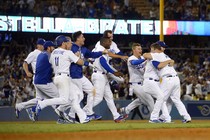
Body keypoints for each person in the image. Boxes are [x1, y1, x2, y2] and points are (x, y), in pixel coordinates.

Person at [36, 35, 90, 124]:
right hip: (64, 77)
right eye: (68, 43)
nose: (70, 45)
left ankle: (82, 118)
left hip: (58, 77)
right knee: (65, 99)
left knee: (78, 95)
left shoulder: (53, 52)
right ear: (63, 43)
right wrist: (85, 61)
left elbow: (52, 62)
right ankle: (42, 104)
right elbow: (80, 62)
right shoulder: (68, 52)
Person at [148, 41, 191, 123]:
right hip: (175, 79)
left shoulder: (157, 55)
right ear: (159, 47)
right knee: (175, 100)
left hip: (167, 79)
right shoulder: (165, 56)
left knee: (161, 99)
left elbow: (158, 65)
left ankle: (162, 118)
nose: (163, 48)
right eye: (162, 47)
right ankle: (187, 117)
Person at [91, 37, 125, 123]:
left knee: (109, 97)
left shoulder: (104, 50)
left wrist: (114, 72)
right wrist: (114, 72)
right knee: (98, 98)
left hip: (102, 76)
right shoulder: (101, 49)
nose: (110, 43)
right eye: (109, 42)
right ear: (104, 42)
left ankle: (116, 116)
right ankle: (84, 111)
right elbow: (103, 63)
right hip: (99, 75)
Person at [120, 43, 154, 118]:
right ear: (134, 50)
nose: (140, 50)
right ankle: (154, 117)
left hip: (143, 83)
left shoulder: (142, 57)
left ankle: (126, 109)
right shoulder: (131, 58)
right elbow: (135, 63)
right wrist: (145, 59)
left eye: (141, 49)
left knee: (141, 100)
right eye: (138, 49)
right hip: (135, 84)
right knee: (150, 100)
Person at [15, 38, 45, 121]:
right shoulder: (34, 53)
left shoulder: (43, 53)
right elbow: (25, 63)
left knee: (41, 99)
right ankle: (29, 108)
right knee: (45, 98)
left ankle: (22, 107)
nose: (44, 46)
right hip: (39, 77)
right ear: (38, 45)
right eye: (43, 44)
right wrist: (27, 72)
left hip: (43, 77)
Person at [143, 44, 173, 123]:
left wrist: (169, 61)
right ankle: (153, 118)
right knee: (161, 97)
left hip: (155, 82)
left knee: (161, 99)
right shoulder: (153, 57)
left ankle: (167, 118)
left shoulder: (157, 57)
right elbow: (159, 65)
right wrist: (168, 61)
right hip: (150, 81)